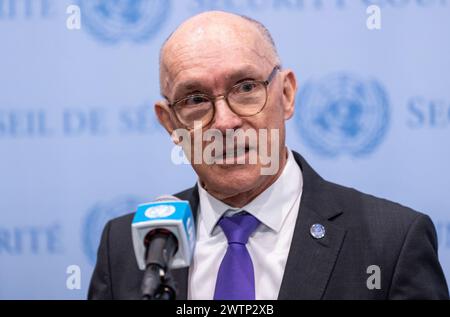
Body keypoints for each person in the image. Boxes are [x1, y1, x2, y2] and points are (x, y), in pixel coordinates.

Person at [88, 11, 449, 300]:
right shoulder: (126, 247)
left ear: (287, 94)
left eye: (246, 88)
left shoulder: (391, 241)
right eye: (196, 100)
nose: (226, 122)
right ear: (170, 124)